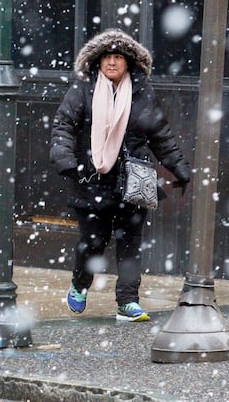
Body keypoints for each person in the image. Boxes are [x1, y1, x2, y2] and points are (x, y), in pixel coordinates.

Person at [50, 29, 191, 322]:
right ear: (98, 62)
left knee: (130, 244)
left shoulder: (142, 93)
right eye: (107, 57)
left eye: (118, 57)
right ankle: (79, 283)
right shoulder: (83, 89)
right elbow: (63, 124)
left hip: (133, 181)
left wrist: (178, 167)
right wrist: (65, 158)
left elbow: (160, 134)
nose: (112, 63)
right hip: (92, 179)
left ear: (128, 63)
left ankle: (127, 302)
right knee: (93, 242)